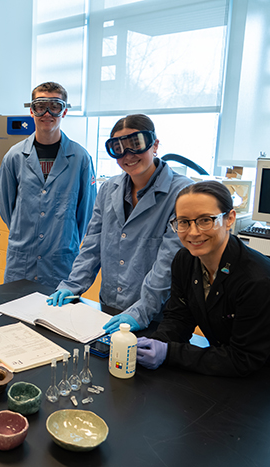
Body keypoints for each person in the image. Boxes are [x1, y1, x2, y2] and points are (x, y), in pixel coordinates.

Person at [136, 181, 270, 378]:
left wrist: (169, 353)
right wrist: (155, 344)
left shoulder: (259, 280)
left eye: (205, 220)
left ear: (230, 218)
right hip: (237, 370)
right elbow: (179, 317)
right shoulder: (185, 260)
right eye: (184, 222)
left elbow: (243, 358)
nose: (193, 232)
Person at [48, 114, 192, 334]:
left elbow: (168, 263)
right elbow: (92, 246)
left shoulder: (182, 193)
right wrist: (73, 285)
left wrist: (142, 311)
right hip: (110, 307)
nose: (128, 155)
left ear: (154, 145)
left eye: (136, 145)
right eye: (119, 148)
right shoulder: (108, 189)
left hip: (157, 316)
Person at [0, 81, 97, 288]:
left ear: (65, 112)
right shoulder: (14, 157)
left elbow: (85, 213)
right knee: (16, 315)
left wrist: (64, 240)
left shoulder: (80, 158)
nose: (47, 113)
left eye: (55, 106)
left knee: (59, 318)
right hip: (21, 260)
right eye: (40, 106)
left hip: (61, 261)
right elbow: (7, 209)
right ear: (32, 111)